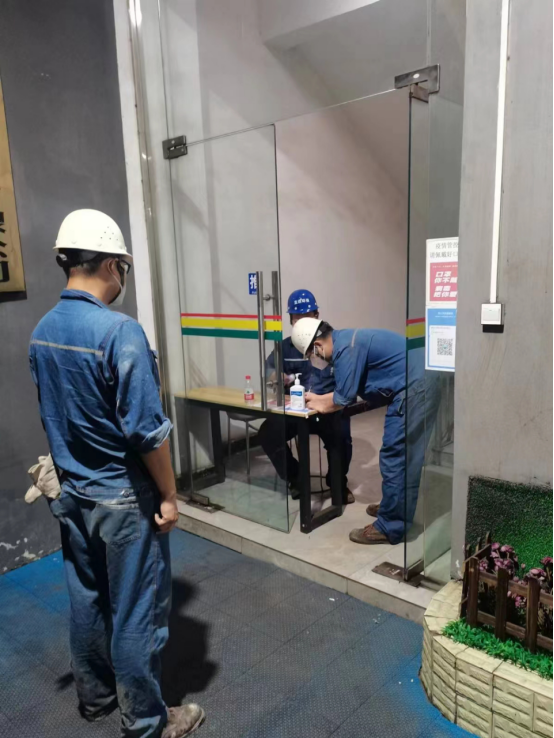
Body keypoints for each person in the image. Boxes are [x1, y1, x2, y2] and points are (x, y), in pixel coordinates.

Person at [29, 210, 205, 738]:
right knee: (136, 613)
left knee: (87, 597)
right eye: (123, 267)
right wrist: (169, 494)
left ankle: (96, 698)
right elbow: (147, 431)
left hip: (71, 491)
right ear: (111, 265)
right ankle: (147, 722)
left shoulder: (42, 332)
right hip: (123, 498)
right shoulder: (119, 332)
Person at [291, 318, 440, 545]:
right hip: (420, 382)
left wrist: (318, 403)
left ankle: (390, 526)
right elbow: (343, 393)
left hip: (415, 388)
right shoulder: (347, 339)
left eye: (313, 354)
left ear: (318, 346)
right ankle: (394, 507)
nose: (316, 359)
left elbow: (342, 399)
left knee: (397, 456)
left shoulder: (346, 349)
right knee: (405, 455)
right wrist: (317, 399)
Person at [258, 289, 354, 504]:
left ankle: (337, 484)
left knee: (341, 439)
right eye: (297, 318)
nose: (301, 323)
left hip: (327, 409)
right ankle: (296, 478)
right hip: (295, 411)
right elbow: (268, 371)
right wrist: (276, 377)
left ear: (317, 316)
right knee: (267, 433)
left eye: (307, 317)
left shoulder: (331, 343)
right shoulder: (285, 347)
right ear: (290, 320)